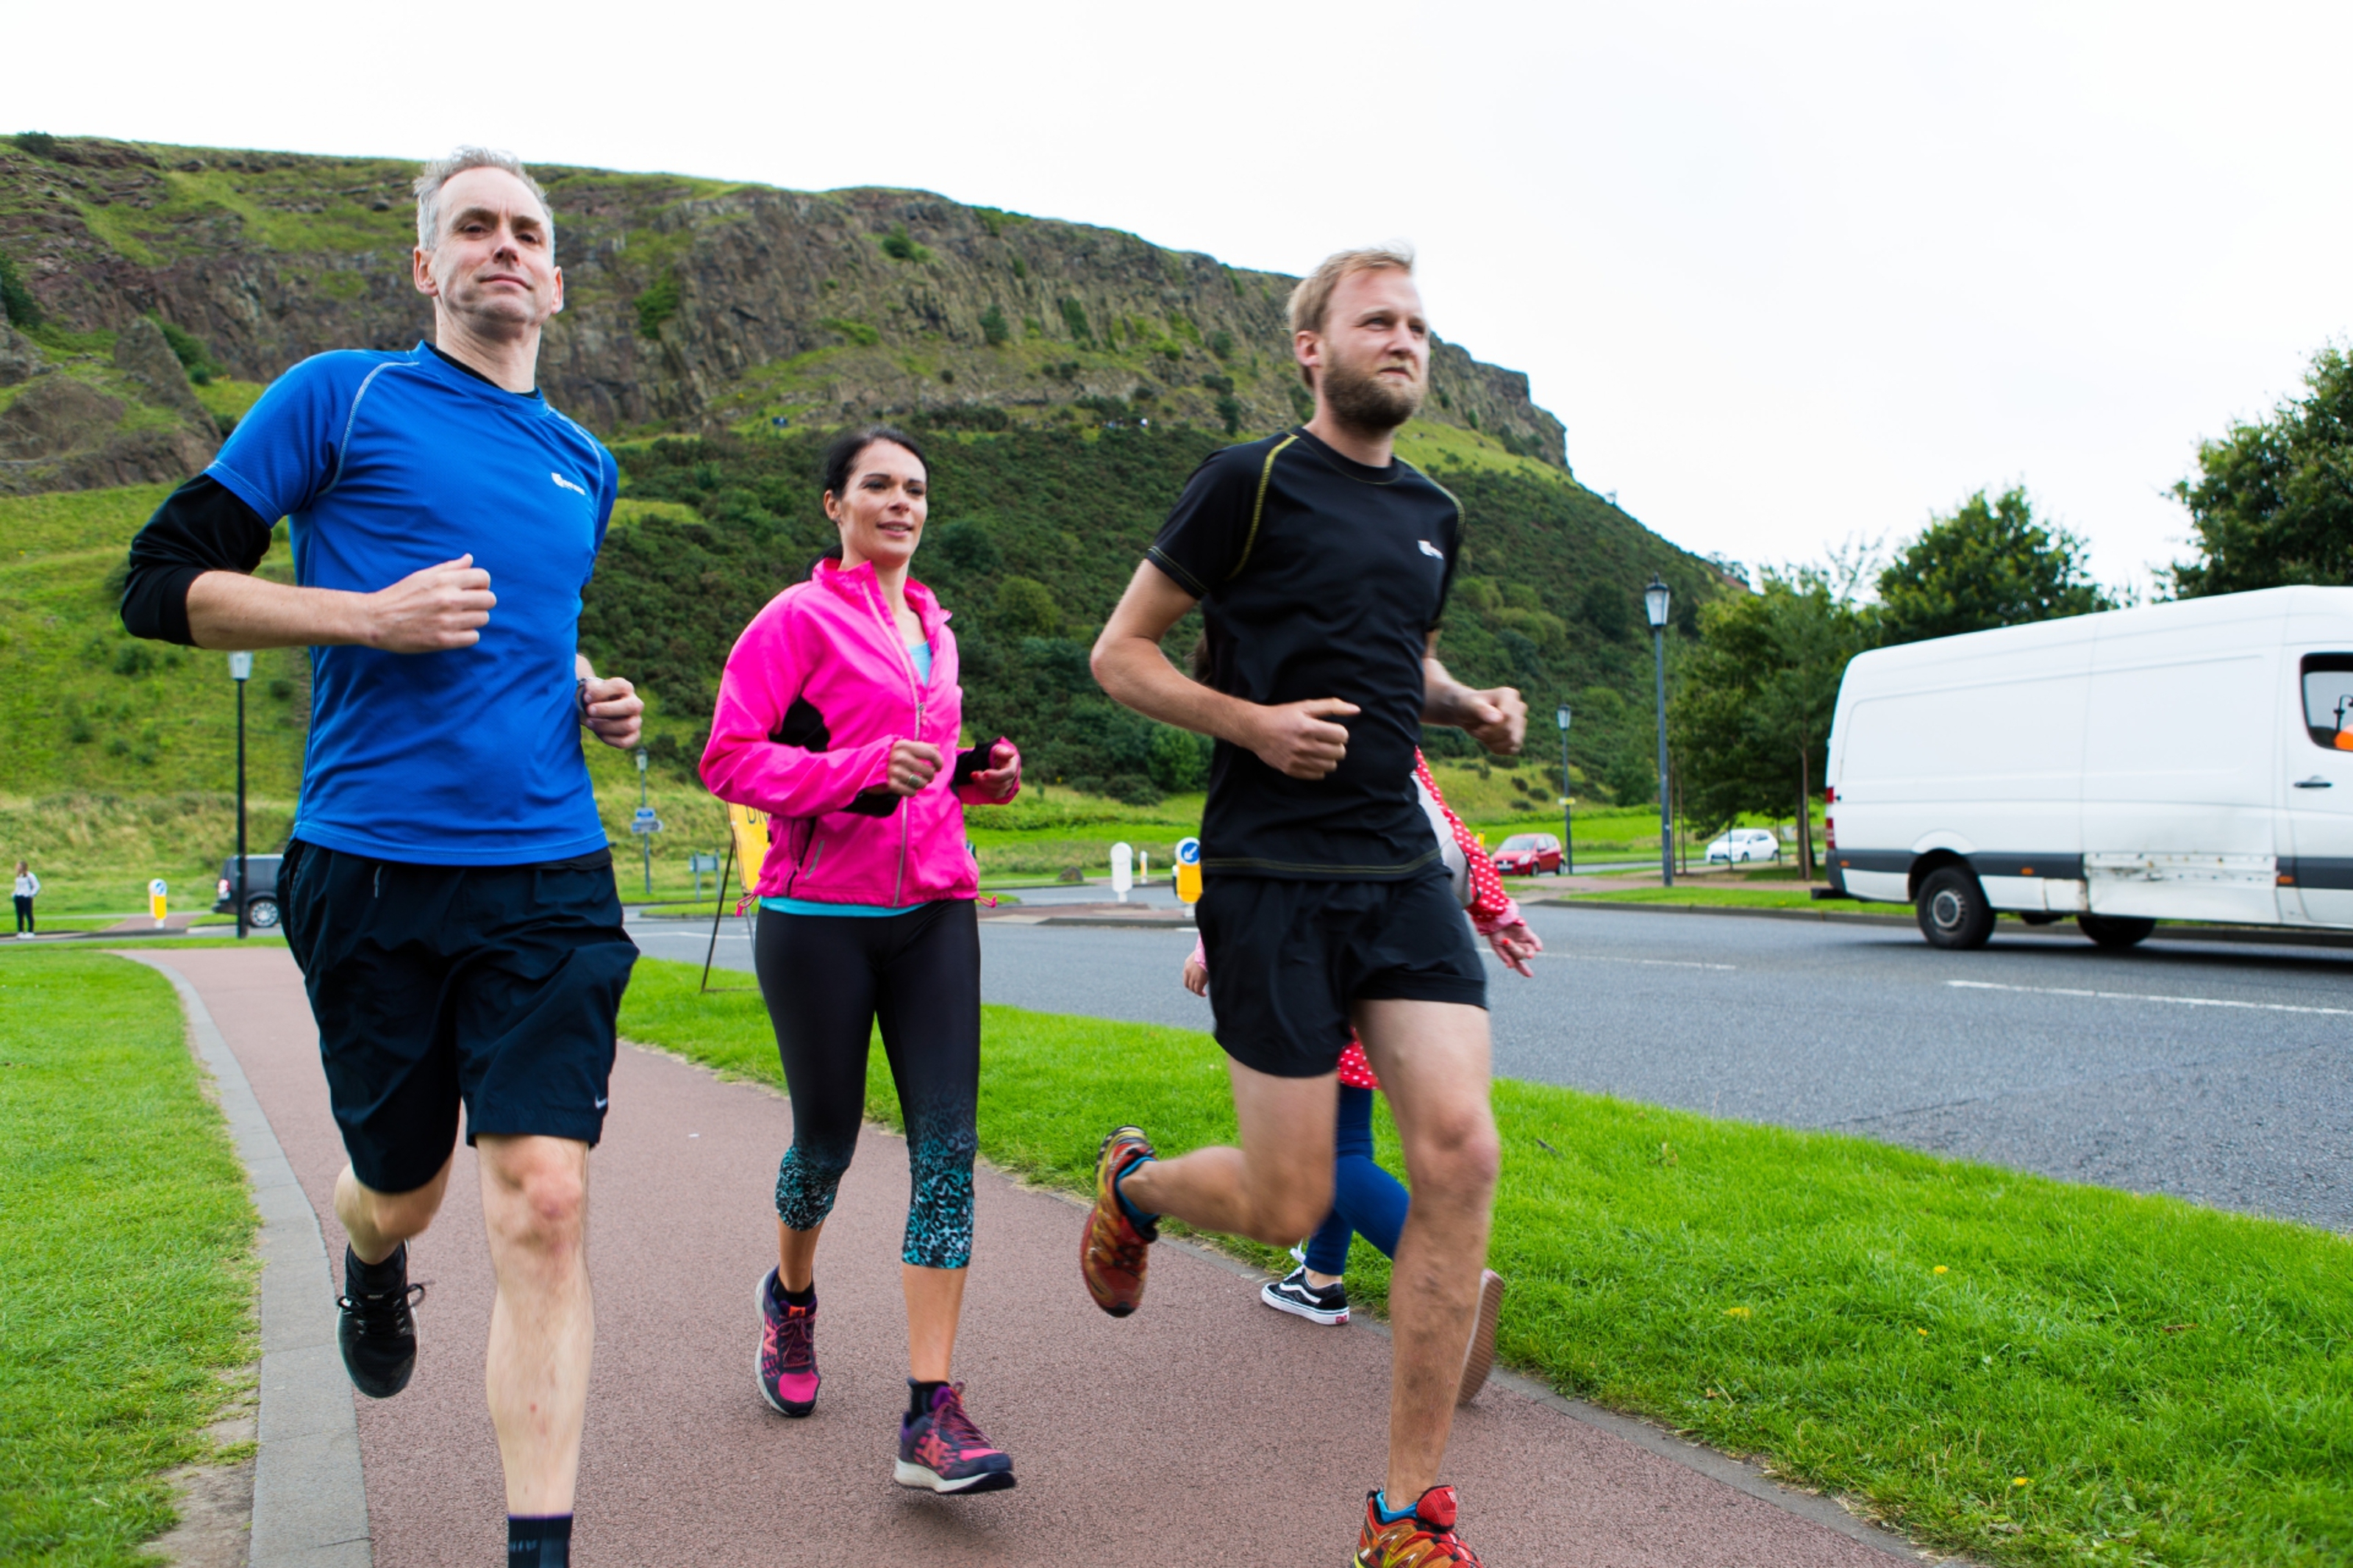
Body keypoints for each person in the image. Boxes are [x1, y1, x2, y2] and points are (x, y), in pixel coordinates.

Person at [118, 148, 642, 1568]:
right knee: (402, 1185)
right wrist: (366, 616)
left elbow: (526, 623)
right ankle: (370, 1252)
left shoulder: (585, 463)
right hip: (370, 864)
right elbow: (158, 585)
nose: (504, 249)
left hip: (548, 870)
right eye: (472, 227)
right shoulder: (337, 395)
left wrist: (588, 687)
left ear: (554, 272)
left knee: (545, 1193)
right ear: (427, 265)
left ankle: (539, 1548)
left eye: (528, 231)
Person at [1085, 245, 1524, 1566]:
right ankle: (1138, 1188)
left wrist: (1468, 704)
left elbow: (1405, 657)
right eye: (1376, 320)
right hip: (1270, 868)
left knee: (1460, 1150)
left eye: (1419, 325)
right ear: (1310, 347)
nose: (1404, 340)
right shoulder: (1250, 481)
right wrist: (1252, 724)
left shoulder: (1438, 510)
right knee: (1287, 1201)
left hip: (1395, 865)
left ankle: (1406, 1515)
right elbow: (1123, 653)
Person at [701, 424, 1025, 1496]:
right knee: (826, 1146)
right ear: (832, 506)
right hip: (814, 912)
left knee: (948, 1151)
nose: (901, 502)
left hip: (936, 905)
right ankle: (789, 1299)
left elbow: (917, 777)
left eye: (916, 488)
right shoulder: (794, 621)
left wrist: (977, 777)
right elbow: (731, 759)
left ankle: (931, 1412)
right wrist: (854, 772)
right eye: (878, 485)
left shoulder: (934, 627)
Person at [1184, 751, 1533, 1414]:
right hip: (1394, 951)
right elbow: (1444, 824)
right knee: (1346, 1135)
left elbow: (1247, 842)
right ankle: (1319, 1279)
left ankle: (1450, 1275)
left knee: (1326, 1156)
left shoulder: (1283, 707)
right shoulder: (1386, 704)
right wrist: (1495, 908)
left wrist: (1210, 945)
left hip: (1313, 948)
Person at [12, 861, 37, 938]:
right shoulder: (19, 876)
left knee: (28, 914)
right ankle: (21, 931)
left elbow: (36, 885)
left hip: (26, 896)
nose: (17, 867)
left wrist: (31, 894)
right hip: (18, 896)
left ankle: (30, 931)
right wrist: (14, 894)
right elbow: (18, 886)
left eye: (19, 866)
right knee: (19, 915)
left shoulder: (30, 875)